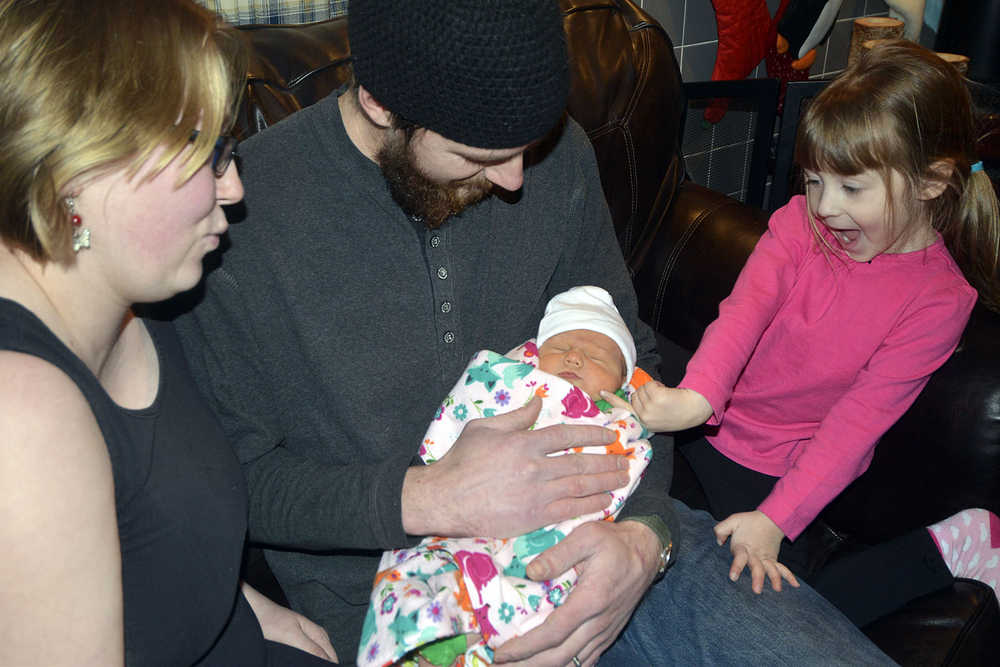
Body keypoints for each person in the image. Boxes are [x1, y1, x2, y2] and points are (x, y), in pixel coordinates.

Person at [172, 0, 895, 663]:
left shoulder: (558, 158)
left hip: (610, 529)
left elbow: (632, 354)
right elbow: (237, 482)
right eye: (482, 160)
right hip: (412, 603)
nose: (519, 180)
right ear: (380, 104)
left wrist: (646, 537)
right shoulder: (240, 221)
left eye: (530, 146)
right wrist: (429, 497)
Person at [607, 39, 1000, 627]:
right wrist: (697, 398)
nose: (823, 206)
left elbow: (855, 426)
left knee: (776, 615)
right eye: (813, 180)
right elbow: (742, 315)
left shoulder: (940, 300)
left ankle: (949, 547)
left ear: (932, 182)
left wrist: (776, 519)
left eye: (851, 188)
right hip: (704, 417)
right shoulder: (798, 224)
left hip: (778, 466)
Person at [0, 1, 337, 664]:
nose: (234, 187)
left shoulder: (140, 305)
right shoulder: (22, 422)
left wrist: (247, 603)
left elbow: (143, 542)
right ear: (79, 167)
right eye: (209, 155)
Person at [363, 286, 655, 666]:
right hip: (463, 509)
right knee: (423, 569)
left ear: (622, 379)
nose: (574, 356)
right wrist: (435, 468)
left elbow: (629, 469)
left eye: (597, 354)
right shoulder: (509, 380)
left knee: (546, 593)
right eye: (560, 346)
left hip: (555, 534)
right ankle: (432, 637)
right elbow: (465, 409)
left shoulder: (624, 424)